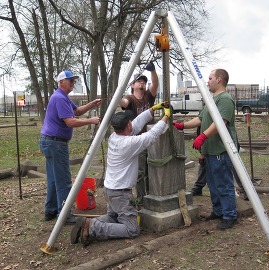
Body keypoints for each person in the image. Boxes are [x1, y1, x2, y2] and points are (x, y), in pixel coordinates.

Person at [70, 103, 171, 247]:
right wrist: (166, 116)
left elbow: (137, 123)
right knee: (132, 229)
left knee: (113, 216)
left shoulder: (114, 137)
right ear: (127, 126)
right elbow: (151, 135)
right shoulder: (128, 143)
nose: (132, 123)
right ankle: (93, 227)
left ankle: (87, 223)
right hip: (120, 193)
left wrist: (153, 109)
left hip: (110, 190)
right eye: (130, 122)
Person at [173, 68, 238, 230]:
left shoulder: (225, 99)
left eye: (210, 78)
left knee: (223, 184)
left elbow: (221, 123)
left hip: (221, 150)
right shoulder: (211, 99)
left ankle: (230, 215)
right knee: (213, 184)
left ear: (219, 80)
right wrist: (182, 125)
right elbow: (200, 119)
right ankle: (218, 211)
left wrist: (203, 136)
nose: (207, 81)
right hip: (210, 151)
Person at [40, 70, 101, 224]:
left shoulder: (63, 97)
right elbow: (70, 122)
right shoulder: (60, 98)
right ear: (61, 83)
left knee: (54, 179)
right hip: (56, 144)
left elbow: (77, 111)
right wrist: (91, 121)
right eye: (70, 81)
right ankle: (65, 215)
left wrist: (92, 104)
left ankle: (50, 211)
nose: (73, 83)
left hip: (49, 142)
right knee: (64, 181)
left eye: (74, 81)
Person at [119, 61, 159, 202]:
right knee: (141, 171)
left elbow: (155, 84)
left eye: (144, 82)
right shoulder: (130, 100)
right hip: (138, 140)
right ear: (132, 85)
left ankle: (153, 195)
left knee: (153, 168)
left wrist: (152, 70)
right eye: (139, 81)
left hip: (152, 138)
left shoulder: (149, 96)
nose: (142, 83)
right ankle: (142, 199)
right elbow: (121, 102)